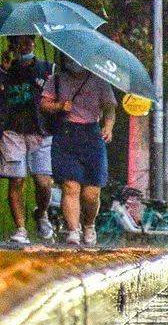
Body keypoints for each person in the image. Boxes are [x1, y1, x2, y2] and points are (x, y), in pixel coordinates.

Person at [39, 54, 117, 246]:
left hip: (91, 134)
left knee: (91, 193)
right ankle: (73, 230)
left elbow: (109, 108)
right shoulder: (56, 79)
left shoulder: (99, 80)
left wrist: (108, 127)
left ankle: (89, 225)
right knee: (70, 186)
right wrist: (59, 106)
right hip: (65, 133)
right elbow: (44, 104)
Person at [0, 35, 55, 244]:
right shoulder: (6, 69)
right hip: (12, 131)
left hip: (40, 131)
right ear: (11, 45)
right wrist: (3, 70)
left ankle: (41, 213)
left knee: (43, 182)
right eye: (20, 43)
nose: (25, 46)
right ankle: (21, 229)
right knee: (17, 180)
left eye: (28, 41)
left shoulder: (48, 69)